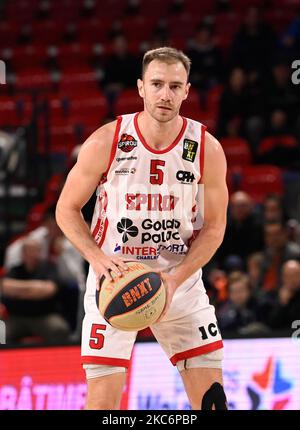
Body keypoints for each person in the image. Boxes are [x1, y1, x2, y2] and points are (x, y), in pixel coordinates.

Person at [56, 47, 228, 410]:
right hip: (115, 279)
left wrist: (176, 278)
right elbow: (66, 209)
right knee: (102, 405)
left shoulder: (206, 148)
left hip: (179, 279)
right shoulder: (108, 139)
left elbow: (214, 228)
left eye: (174, 86)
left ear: (186, 91)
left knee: (213, 402)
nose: (165, 94)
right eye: (157, 84)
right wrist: (97, 259)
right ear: (140, 88)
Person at [2, 238, 70, 344]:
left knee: (59, 328)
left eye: (34, 250)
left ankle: (54, 358)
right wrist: (34, 290)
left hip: (43, 316)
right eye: (27, 251)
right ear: (22, 253)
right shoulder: (15, 270)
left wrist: (19, 292)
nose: (30, 254)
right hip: (17, 317)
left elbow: (49, 289)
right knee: (2, 332)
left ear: (39, 252)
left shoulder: (48, 268)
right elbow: (5, 286)